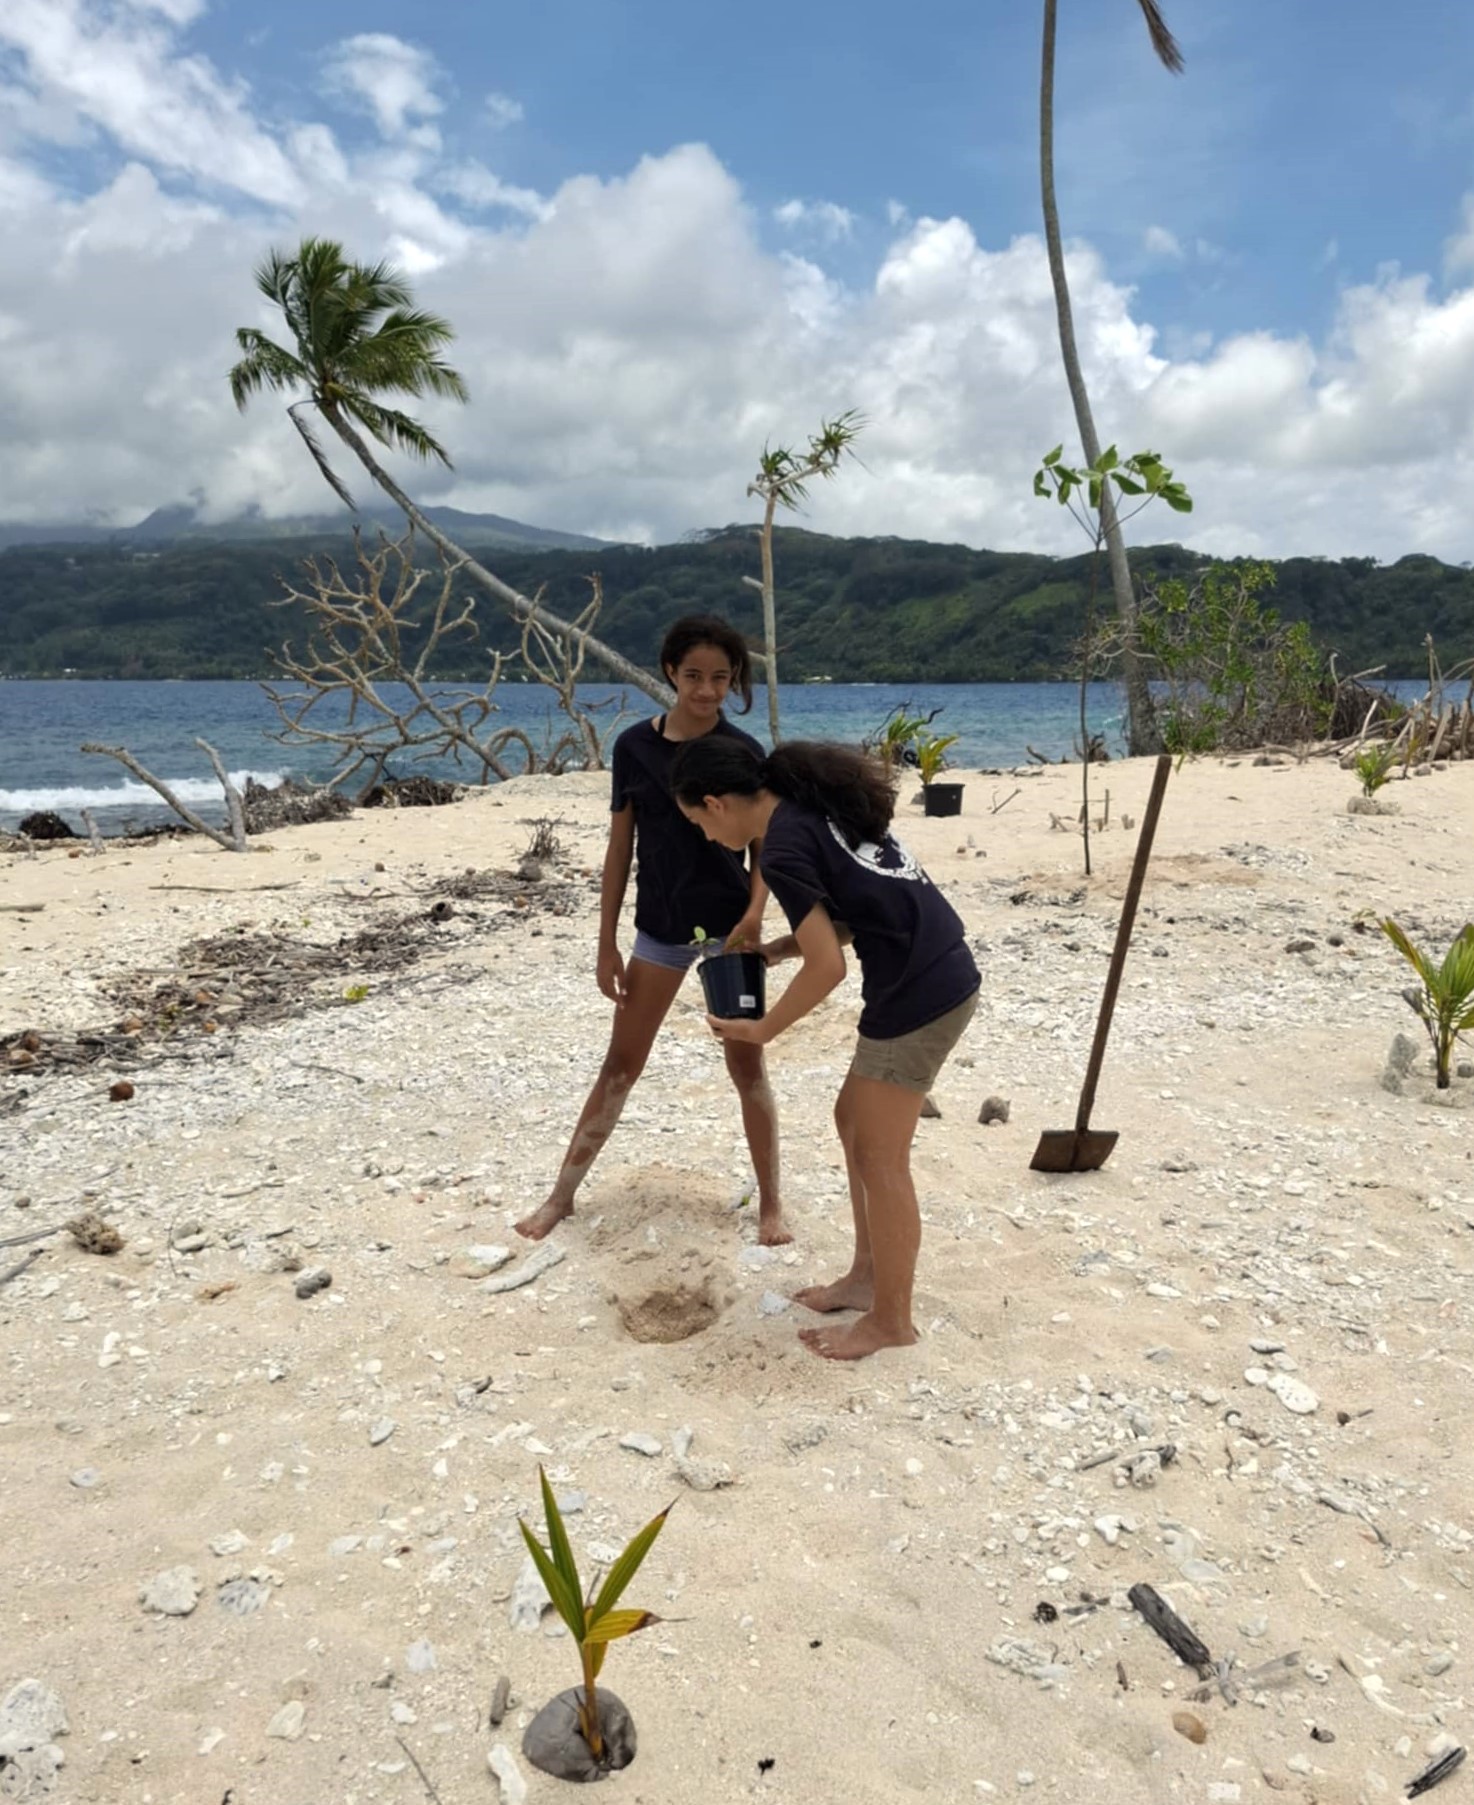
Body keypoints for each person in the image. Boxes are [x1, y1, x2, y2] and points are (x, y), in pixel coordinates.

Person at [669, 738, 979, 1361]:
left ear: (715, 803)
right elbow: (859, 907)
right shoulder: (807, 811)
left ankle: (892, 1320)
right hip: (928, 971)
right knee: (851, 1121)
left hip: (921, 992)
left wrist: (762, 1030)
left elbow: (830, 967)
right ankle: (866, 1278)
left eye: (699, 823)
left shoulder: (781, 848)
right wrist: (779, 949)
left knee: (880, 1157)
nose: (706, 837)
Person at [515, 616, 788, 1245]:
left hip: (730, 931)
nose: (707, 690)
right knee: (621, 1063)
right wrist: (605, 940)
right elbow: (619, 849)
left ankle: (771, 1203)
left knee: (748, 1068)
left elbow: (765, 846)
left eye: (721, 678)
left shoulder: (744, 752)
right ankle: (562, 1195)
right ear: (670, 672)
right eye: (694, 675)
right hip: (659, 929)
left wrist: (754, 917)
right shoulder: (634, 748)